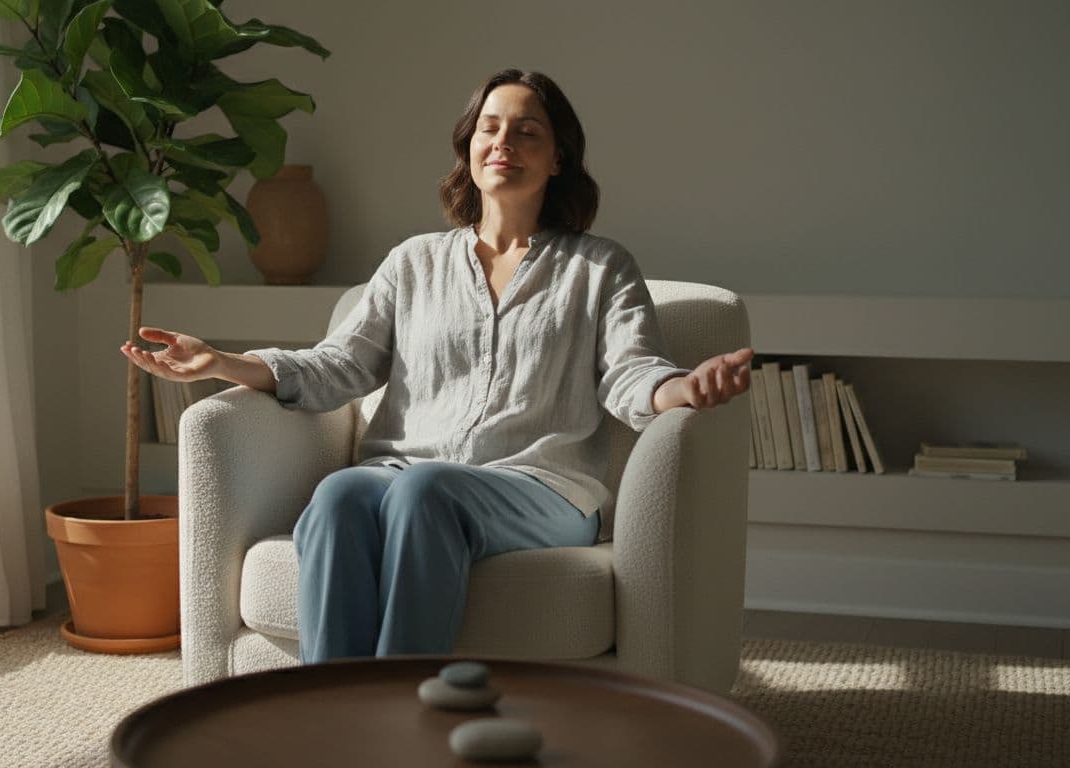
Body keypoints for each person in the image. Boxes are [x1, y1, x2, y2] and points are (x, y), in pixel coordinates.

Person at [121, 68, 752, 664]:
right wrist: (223, 362)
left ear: (557, 158)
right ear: (469, 146)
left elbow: (631, 370)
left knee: (427, 490)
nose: (504, 141)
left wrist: (681, 388)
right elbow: (340, 364)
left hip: (541, 487)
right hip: (402, 469)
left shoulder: (600, 268)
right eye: (490, 127)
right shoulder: (413, 262)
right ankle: (329, 711)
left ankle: (402, 717)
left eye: (527, 130)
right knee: (340, 493)